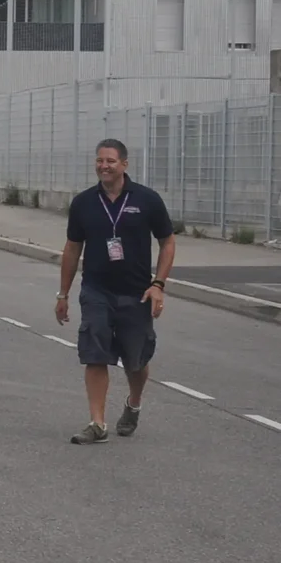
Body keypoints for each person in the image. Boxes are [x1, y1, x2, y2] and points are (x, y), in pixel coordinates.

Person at [56, 138, 176, 443]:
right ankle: (97, 423)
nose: (103, 166)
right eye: (99, 160)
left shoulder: (147, 200)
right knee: (94, 352)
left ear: (124, 164)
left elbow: (168, 242)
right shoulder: (84, 203)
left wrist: (158, 285)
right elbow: (72, 248)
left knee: (135, 361)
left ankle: (133, 403)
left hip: (136, 293)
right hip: (96, 290)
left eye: (110, 161)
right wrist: (63, 294)